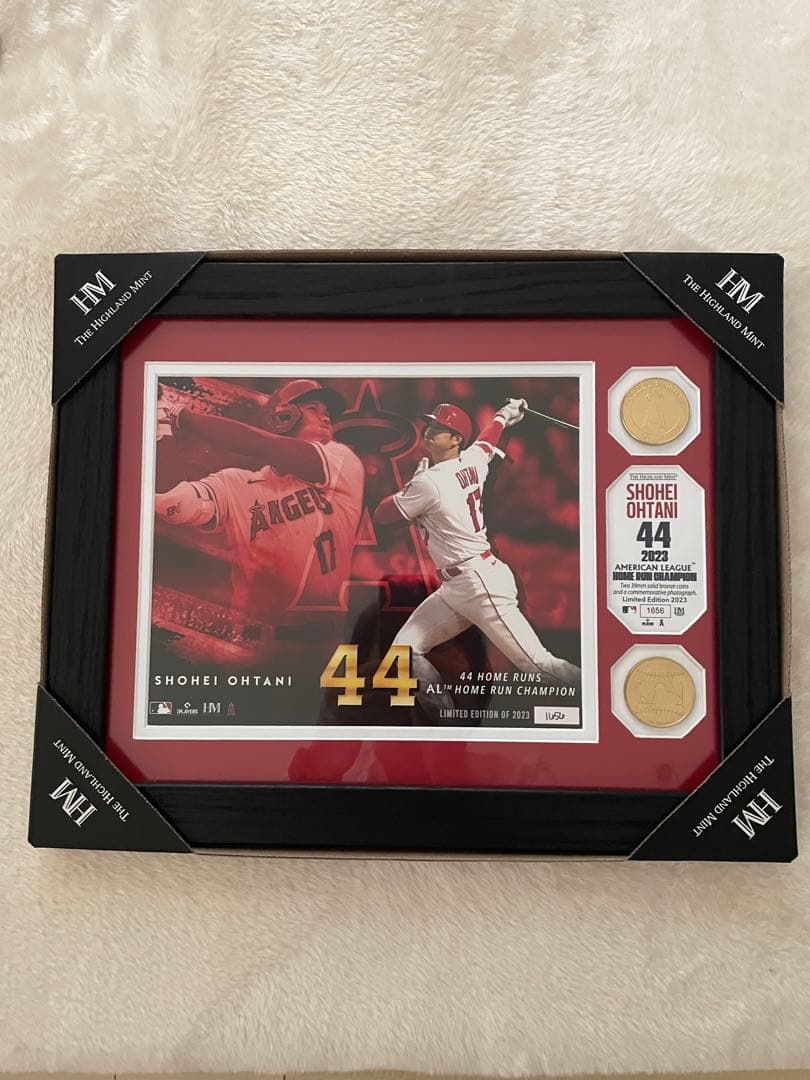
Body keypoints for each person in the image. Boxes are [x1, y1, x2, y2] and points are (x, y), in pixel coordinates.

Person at [373, 399, 580, 722]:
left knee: (538, 665)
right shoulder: (472, 460)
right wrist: (502, 417)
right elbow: (486, 442)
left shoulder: (429, 482)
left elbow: (381, 515)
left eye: (440, 428)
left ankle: (598, 695)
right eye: (430, 424)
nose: (430, 431)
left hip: (478, 583)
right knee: (404, 653)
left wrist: (410, 487)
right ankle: (447, 723)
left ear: (456, 439)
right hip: (460, 584)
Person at [155, 379, 364, 620]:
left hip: (322, 633)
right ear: (282, 417)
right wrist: (161, 429)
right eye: (313, 408)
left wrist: (177, 414)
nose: (325, 417)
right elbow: (172, 504)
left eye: (327, 413)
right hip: (249, 635)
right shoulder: (236, 483)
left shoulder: (342, 460)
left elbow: (263, 445)